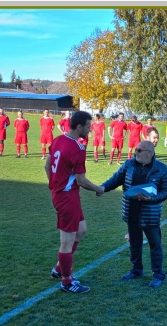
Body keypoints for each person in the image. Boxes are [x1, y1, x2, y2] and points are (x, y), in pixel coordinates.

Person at [101, 140, 167, 288]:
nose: (136, 152)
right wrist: (102, 188)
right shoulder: (129, 164)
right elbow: (116, 179)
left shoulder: (161, 169)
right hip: (131, 211)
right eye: (136, 149)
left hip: (150, 214)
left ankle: (158, 274)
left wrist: (151, 199)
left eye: (139, 150)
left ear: (149, 153)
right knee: (134, 243)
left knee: (155, 244)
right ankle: (136, 270)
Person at [46, 111, 104, 293]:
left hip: (65, 194)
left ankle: (59, 268)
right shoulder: (78, 148)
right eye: (88, 126)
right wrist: (98, 189)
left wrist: (54, 185)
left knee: (81, 230)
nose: (90, 130)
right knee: (67, 240)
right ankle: (66, 281)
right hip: (66, 196)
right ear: (79, 127)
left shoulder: (58, 140)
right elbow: (81, 180)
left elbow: (47, 165)